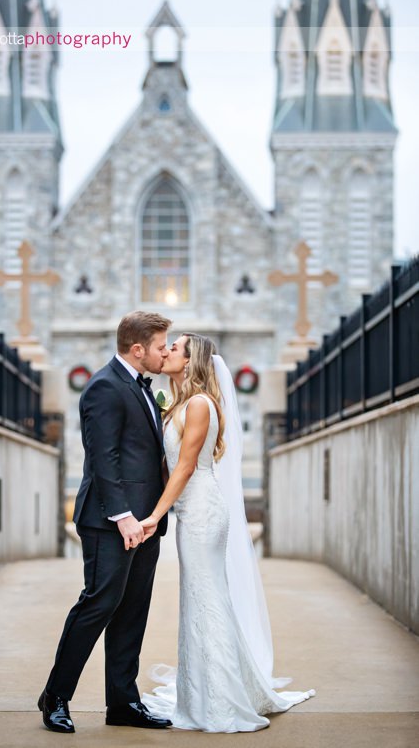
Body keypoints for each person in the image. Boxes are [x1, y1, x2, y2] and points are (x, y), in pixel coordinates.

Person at [140, 333, 315, 732]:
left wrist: (153, 516)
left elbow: (185, 468)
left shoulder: (200, 404)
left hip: (202, 513)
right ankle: (202, 691)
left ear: (190, 361)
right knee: (199, 600)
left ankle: (220, 700)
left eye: (174, 348)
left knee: (208, 601)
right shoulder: (181, 403)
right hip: (191, 513)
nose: (166, 351)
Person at [38, 311, 174, 733]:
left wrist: (150, 516)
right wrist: (124, 516)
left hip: (146, 523)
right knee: (97, 605)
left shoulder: (142, 388)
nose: (165, 353)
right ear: (138, 350)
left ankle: (123, 703)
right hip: (110, 522)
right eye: (160, 347)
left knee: (132, 612)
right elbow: (103, 458)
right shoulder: (103, 387)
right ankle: (55, 697)